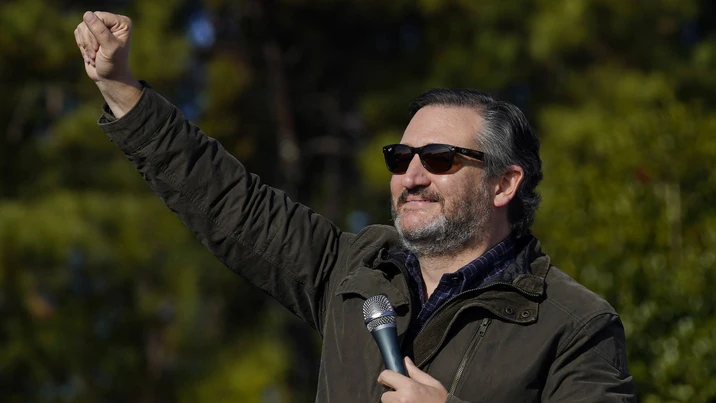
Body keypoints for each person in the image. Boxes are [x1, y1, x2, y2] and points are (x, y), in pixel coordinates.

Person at [74, 11, 636, 403]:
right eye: (400, 157)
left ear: (504, 184)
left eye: (439, 158)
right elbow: (229, 202)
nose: (411, 176)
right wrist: (122, 90)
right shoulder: (355, 273)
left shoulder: (575, 324)